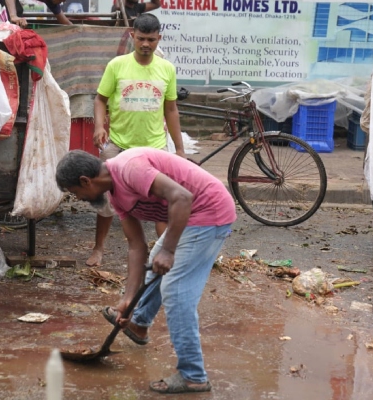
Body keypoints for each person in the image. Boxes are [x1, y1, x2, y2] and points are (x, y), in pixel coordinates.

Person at [56, 148, 235, 394]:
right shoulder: (115, 195)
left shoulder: (130, 169)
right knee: (154, 260)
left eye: (76, 193)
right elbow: (136, 246)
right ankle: (138, 323)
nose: (78, 199)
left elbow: (182, 197)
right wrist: (127, 299)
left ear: (86, 181)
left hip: (208, 211)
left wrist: (169, 251)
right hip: (189, 216)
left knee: (176, 291)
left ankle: (193, 376)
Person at [88, 13, 184, 267]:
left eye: (151, 40)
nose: (145, 44)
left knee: (162, 202)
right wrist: (100, 126)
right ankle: (98, 249)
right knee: (106, 199)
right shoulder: (116, 65)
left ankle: (166, 254)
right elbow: (100, 99)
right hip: (118, 145)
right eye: (141, 38)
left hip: (155, 149)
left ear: (159, 39)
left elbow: (171, 110)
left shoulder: (167, 69)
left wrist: (180, 150)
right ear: (132, 36)